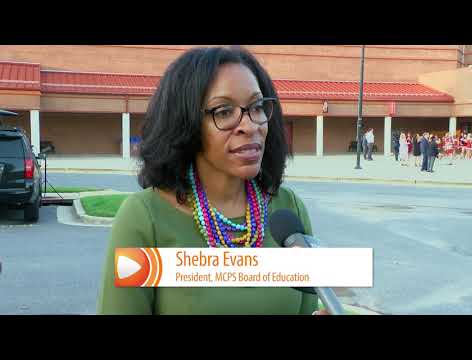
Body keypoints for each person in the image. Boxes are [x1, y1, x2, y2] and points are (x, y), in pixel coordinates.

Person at [96, 46, 323, 315]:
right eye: (224, 111)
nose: (250, 126)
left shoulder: (289, 210)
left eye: (257, 106)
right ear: (186, 123)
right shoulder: (144, 218)